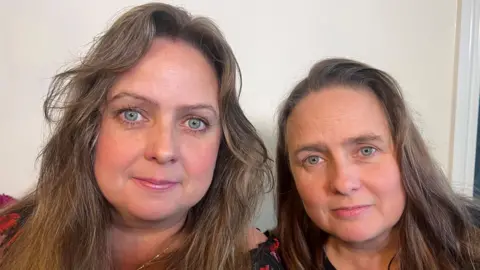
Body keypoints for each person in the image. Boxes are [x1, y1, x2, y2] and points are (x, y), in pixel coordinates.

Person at [0, 3, 283, 269]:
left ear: (224, 143)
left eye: (195, 122)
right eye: (132, 114)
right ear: (90, 126)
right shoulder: (10, 238)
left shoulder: (253, 262)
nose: (163, 150)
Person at [274, 58, 480, 269]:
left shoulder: (471, 243)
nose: (343, 184)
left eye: (366, 150)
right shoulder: (267, 261)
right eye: (313, 159)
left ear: (406, 157)